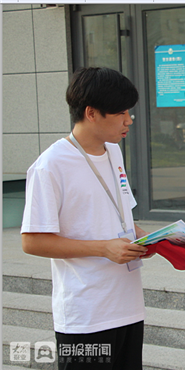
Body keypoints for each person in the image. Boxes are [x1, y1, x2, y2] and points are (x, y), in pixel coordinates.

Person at [21, 67, 149, 369]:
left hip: (128, 307)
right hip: (86, 317)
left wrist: (154, 238)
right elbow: (32, 241)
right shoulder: (50, 166)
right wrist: (103, 249)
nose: (128, 120)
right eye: (120, 113)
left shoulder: (114, 153)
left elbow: (120, 219)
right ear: (91, 113)